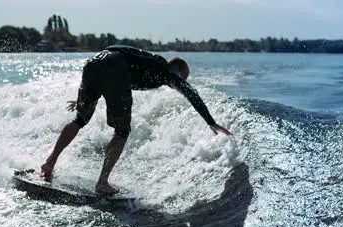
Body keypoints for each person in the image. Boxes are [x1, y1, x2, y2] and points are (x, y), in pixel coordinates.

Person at [40, 45, 232, 195]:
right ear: (178, 73)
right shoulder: (164, 71)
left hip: (94, 62)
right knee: (122, 131)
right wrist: (210, 121)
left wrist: (83, 98)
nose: (176, 86)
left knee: (80, 119)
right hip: (115, 68)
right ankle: (102, 183)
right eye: (181, 80)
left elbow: (106, 59)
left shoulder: (145, 60)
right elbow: (191, 92)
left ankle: (49, 163)